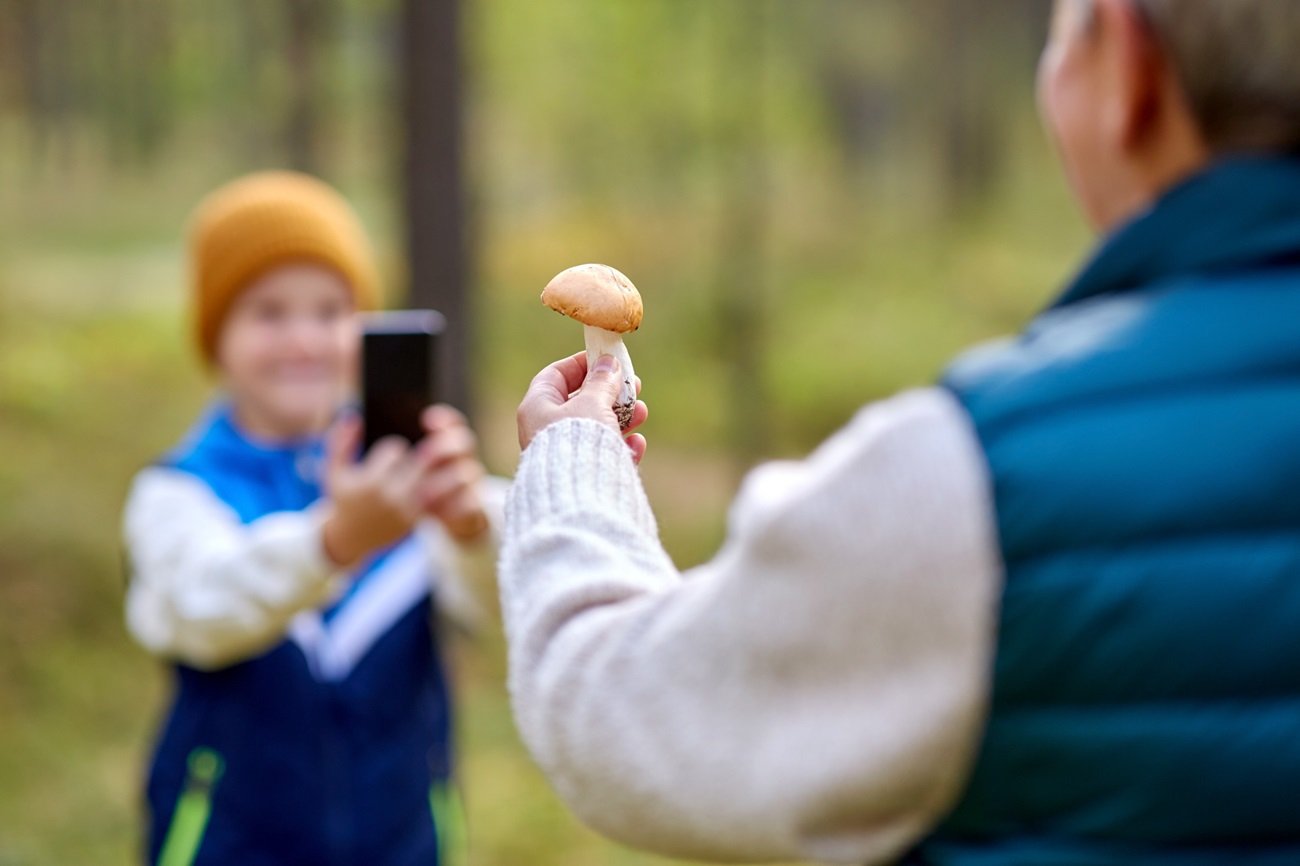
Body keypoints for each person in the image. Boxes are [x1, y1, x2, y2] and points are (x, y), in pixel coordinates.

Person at [501, 0, 1300, 863]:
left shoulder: (979, 473)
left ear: (1130, 68)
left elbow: (623, 712)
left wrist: (572, 457)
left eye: (1061, 36)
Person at [122, 170, 502, 866]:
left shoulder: (405, 472)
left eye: (330, 312)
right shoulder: (178, 492)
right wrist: (334, 544)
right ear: (217, 331)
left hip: (404, 844)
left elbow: (504, 605)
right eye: (269, 313)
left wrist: (470, 524)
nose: (303, 340)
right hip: (226, 848)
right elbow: (199, 609)